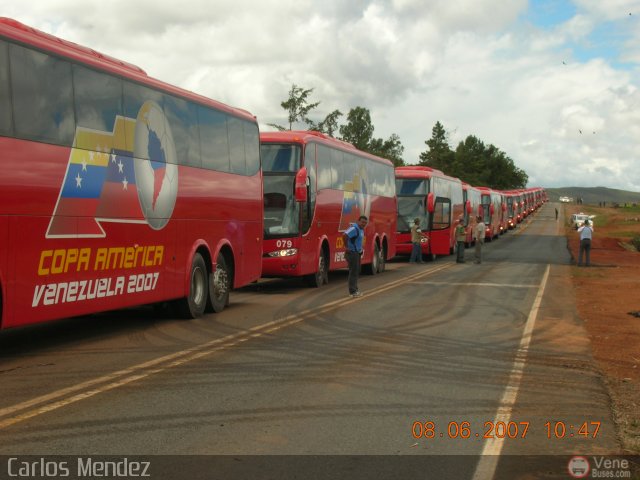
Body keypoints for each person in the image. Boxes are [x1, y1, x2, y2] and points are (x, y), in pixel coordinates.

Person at [343, 215, 368, 297]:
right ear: (358, 221)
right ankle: (353, 292)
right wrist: (346, 247)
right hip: (352, 253)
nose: (363, 224)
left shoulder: (361, 229)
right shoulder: (355, 228)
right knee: (353, 272)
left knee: (356, 271)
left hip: (357, 253)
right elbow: (344, 235)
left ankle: (355, 290)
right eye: (362, 222)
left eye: (365, 222)